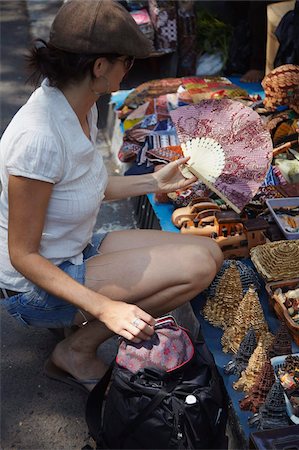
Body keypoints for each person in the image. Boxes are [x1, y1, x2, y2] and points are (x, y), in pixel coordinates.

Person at [0, 0, 223, 391]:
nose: (129, 69)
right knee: (196, 268)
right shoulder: (38, 137)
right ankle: (77, 349)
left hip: (73, 250)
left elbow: (88, 187)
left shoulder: (77, 104)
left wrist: (155, 182)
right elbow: (23, 256)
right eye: (128, 62)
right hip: (30, 285)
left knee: (209, 253)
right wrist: (107, 308)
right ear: (99, 67)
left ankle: (79, 327)